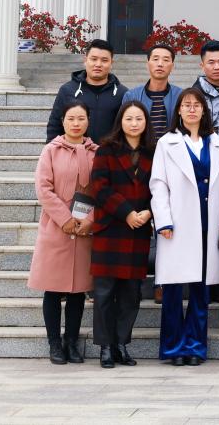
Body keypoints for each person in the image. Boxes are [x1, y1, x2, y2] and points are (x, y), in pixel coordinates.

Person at [150, 88, 219, 366]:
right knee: (173, 290)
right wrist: (163, 220)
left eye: (197, 105)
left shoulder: (214, 142)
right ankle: (174, 348)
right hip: (177, 223)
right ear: (179, 110)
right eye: (187, 105)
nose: (192, 109)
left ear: (204, 110)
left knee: (200, 290)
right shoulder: (167, 143)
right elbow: (158, 184)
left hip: (208, 223)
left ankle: (195, 347)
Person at [29, 102, 97, 365]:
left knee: (78, 291)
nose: (76, 123)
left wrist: (90, 220)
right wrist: (64, 218)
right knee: (53, 290)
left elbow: (102, 190)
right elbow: (43, 188)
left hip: (83, 231)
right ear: (63, 121)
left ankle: (71, 342)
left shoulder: (96, 153)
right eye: (71, 118)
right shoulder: (51, 150)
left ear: (88, 121)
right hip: (56, 229)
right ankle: (54, 343)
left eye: (81, 118)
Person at [89, 101, 155, 369]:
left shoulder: (153, 152)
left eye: (139, 118)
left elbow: (160, 188)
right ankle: (105, 346)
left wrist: (149, 212)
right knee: (104, 292)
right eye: (129, 119)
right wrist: (127, 212)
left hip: (139, 231)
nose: (134, 123)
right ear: (120, 121)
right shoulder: (106, 150)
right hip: (111, 229)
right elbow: (100, 188)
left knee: (131, 293)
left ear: (146, 122)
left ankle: (121, 344)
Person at [46, 38, 125, 143]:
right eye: (94, 59)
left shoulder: (122, 93)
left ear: (111, 63)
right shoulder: (67, 90)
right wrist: (52, 149)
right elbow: (54, 126)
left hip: (109, 152)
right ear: (85, 60)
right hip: (74, 151)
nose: (98, 64)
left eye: (104, 60)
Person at [122, 43, 182, 139]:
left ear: (172, 66)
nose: (160, 64)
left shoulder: (180, 96)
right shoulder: (131, 96)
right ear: (147, 64)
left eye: (166, 60)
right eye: (155, 59)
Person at [193, 40, 219, 156]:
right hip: (204, 157)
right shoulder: (195, 95)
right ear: (202, 66)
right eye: (211, 62)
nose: (217, 67)